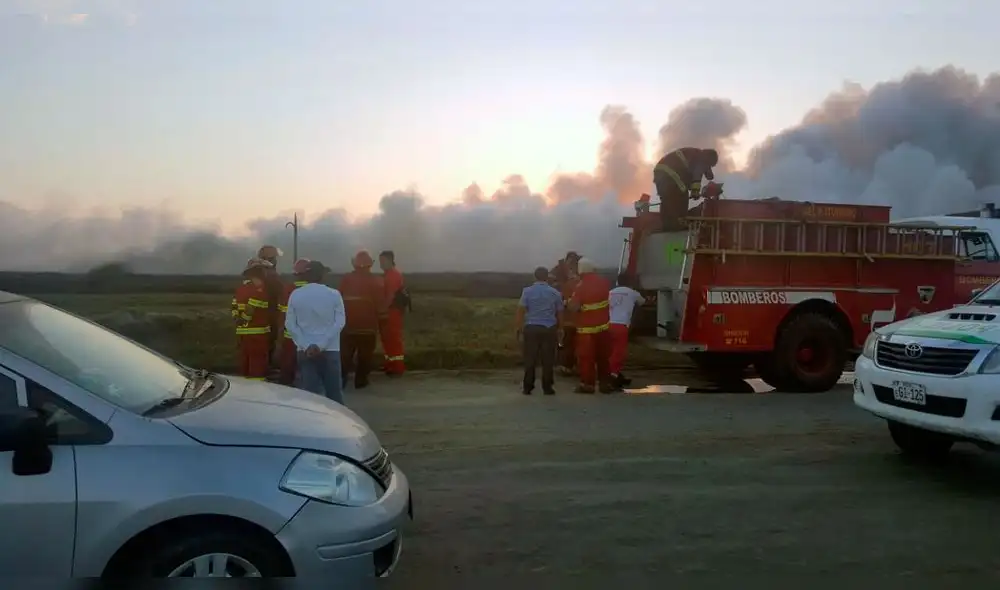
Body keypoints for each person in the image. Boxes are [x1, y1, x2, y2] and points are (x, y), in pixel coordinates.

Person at [285, 260, 347, 403]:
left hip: (304, 351)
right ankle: (337, 422)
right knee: (334, 395)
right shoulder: (334, 294)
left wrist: (306, 345)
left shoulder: (295, 295)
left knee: (310, 397)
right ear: (322, 275)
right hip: (330, 350)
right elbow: (339, 322)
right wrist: (321, 345)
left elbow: (290, 324)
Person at [339, 250, 386, 389]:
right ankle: (361, 381)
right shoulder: (376, 280)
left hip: (347, 326)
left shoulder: (346, 279)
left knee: (345, 355)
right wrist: (383, 321)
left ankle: (341, 380)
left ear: (355, 265)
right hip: (368, 327)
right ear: (369, 265)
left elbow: (338, 299)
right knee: (365, 356)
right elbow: (380, 303)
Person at [515, 266, 564, 395]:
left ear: (534, 277)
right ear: (547, 277)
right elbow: (560, 313)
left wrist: (519, 328)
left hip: (531, 327)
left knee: (530, 358)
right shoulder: (555, 293)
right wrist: (560, 329)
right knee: (548, 359)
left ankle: (527, 386)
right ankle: (547, 387)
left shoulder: (527, 291)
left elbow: (521, 311)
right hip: (549, 328)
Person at [568, 258, 613, 394]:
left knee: (586, 359)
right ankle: (605, 384)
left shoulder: (580, 286)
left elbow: (574, 307)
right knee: (603, 358)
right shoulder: (604, 282)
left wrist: (567, 302)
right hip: (604, 328)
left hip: (586, 330)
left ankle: (588, 385)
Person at [653, 147, 719, 231]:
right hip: (671, 174)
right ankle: (679, 223)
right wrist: (695, 191)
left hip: (660, 172)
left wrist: (709, 173)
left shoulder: (695, 154)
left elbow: (704, 172)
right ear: (709, 160)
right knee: (682, 195)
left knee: (667, 199)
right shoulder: (701, 158)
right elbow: (697, 173)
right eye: (710, 165)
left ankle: (667, 225)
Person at [233, 258, 274, 380]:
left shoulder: (241, 289)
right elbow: (251, 308)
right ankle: (257, 391)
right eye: (265, 270)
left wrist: (239, 321)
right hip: (257, 334)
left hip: (242, 333)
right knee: (258, 365)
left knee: (245, 362)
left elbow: (234, 308)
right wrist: (245, 319)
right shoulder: (259, 289)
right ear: (259, 272)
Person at [276, 258, 312, 386]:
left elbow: (282, 313)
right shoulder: (314, 290)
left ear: (295, 274)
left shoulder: (288, 289)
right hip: (308, 334)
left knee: (288, 362)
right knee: (308, 364)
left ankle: (286, 385)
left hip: (290, 334)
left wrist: (280, 331)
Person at [608, 273, 645, 389]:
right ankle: (612, 376)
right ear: (629, 281)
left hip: (609, 324)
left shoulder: (610, 292)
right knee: (619, 353)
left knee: (610, 351)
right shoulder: (632, 293)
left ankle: (613, 374)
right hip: (622, 325)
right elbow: (643, 302)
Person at [256, 244, 287, 372]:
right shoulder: (272, 276)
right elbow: (282, 293)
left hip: (259, 314)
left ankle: (260, 367)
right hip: (271, 314)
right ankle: (267, 368)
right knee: (270, 342)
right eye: (274, 258)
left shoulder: (257, 276)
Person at [379, 250, 408, 376]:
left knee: (393, 339)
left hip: (392, 311)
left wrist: (383, 309)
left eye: (383, 261)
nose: (381, 264)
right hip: (390, 310)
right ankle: (390, 365)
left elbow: (390, 295)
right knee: (387, 339)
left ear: (390, 260)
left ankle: (397, 367)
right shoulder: (388, 274)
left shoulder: (393, 275)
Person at [553, 252, 581, 376]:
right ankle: (569, 365)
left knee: (569, 342)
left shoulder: (571, 282)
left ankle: (568, 365)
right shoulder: (573, 281)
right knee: (568, 342)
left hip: (571, 319)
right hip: (572, 319)